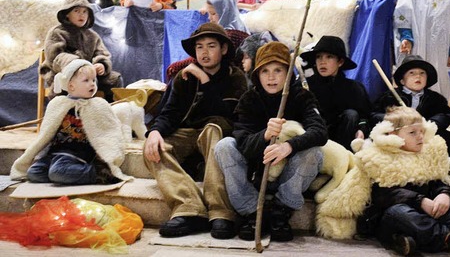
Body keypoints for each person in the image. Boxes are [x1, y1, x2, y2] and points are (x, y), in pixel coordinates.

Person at [318, 106, 450, 256]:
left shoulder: (428, 154)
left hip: (424, 215)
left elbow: (440, 180)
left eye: (422, 131)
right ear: (394, 135)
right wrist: (420, 201)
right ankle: (448, 239)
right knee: (399, 212)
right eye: (412, 132)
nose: (420, 137)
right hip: (390, 216)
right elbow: (384, 195)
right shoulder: (379, 157)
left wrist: (443, 195)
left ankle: (407, 239)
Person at [143, 22, 248, 239]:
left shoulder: (234, 76)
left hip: (218, 133)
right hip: (187, 132)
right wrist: (154, 132)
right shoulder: (183, 77)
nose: (204, 52)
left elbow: (229, 113)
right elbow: (169, 113)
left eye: (211, 46)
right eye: (199, 47)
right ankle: (189, 208)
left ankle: (220, 211)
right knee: (154, 148)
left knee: (213, 130)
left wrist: (205, 80)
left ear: (224, 49)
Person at [215, 41, 327, 242]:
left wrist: (289, 146)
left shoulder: (301, 96)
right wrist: (265, 135)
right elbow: (243, 142)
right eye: (265, 71)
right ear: (257, 74)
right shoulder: (249, 99)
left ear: (288, 73)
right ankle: (252, 211)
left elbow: (320, 131)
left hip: (289, 174)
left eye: (278, 70)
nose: (272, 77)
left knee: (315, 153)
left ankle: (281, 210)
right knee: (224, 146)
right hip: (256, 172)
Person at [11, 59, 132, 185]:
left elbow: (110, 131)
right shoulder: (58, 103)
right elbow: (47, 132)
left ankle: (98, 173)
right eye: (86, 80)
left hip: (78, 154)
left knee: (57, 172)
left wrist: (108, 157)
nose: (92, 84)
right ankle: (66, 174)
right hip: (55, 152)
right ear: (71, 86)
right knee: (34, 173)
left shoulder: (98, 104)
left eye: (93, 80)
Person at [40, 0, 122, 102]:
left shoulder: (92, 36)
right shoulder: (57, 32)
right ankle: (70, 115)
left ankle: (108, 111)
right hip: (63, 73)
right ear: (67, 14)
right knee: (74, 83)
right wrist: (77, 65)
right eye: (76, 11)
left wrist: (101, 64)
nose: (81, 15)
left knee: (114, 79)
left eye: (85, 12)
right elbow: (55, 56)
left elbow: (101, 53)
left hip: (88, 75)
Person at [300, 35, 371, 150]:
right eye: (319, 57)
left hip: (343, 143)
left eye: (329, 57)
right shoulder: (305, 86)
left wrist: (361, 130)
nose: (322, 62)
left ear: (340, 62)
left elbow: (365, 116)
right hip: (313, 139)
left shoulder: (354, 88)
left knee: (351, 114)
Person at [372, 55, 450, 152]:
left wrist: (430, 124)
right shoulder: (389, 96)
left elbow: (445, 115)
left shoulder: (436, 98)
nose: (418, 76)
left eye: (422, 73)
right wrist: (396, 120)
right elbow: (375, 115)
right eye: (412, 73)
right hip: (398, 136)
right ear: (402, 80)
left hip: (425, 137)